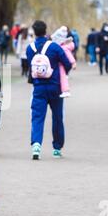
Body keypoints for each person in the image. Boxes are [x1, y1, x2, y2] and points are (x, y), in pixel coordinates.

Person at [26, 20, 72, 160]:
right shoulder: (54, 47)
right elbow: (67, 64)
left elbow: (30, 67)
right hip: (55, 87)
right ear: (46, 31)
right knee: (57, 117)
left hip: (38, 87)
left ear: (34, 32)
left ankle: (36, 145)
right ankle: (57, 148)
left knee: (37, 116)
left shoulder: (30, 48)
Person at [51, 26, 77, 98]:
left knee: (63, 77)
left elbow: (69, 55)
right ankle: (64, 91)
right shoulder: (64, 45)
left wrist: (73, 63)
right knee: (62, 77)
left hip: (61, 64)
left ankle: (65, 91)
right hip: (60, 64)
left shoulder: (63, 47)